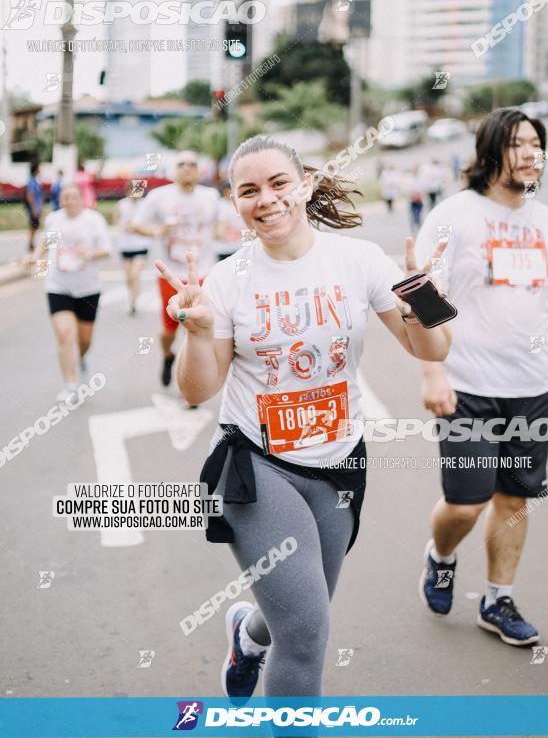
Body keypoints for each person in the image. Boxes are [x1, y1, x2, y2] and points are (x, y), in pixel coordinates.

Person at [156, 134, 452, 701]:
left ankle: (247, 635)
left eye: (278, 184)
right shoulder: (225, 280)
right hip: (258, 466)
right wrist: (193, 333)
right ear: (235, 202)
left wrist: (422, 296)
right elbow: (198, 390)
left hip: (340, 465)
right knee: (308, 630)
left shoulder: (358, 259)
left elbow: (433, 350)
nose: (265, 200)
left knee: (299, 608)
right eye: (248, 191)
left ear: (305, 185)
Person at [415, 108, 548, 646]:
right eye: (518, 144)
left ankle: (497, 598)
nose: (531, 153)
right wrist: (433, 373)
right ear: (490, 152)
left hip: (529, 389)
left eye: (537, 143)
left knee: (514, 500)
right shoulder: (454, 215)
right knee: (467, 502)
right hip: (465, 385)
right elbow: (420, 298)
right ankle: (440, 556)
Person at [132, 150, 220, 386]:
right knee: (169, 329)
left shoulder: (210, 196)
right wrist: (158, 232)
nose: (187, 168)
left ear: (198, 169)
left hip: (204, 271)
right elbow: (137, 224)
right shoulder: (159, 196)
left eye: (192, 163)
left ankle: (194, 384)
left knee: (197, 328)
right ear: (174, 169)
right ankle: (168, 355)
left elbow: (220, 225)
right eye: (182, 164)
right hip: (171, 274)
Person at [28, 183, 111, 403]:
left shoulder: (94, 221)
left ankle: (81, 356)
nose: (69, 202)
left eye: (73, 197)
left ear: (81, 199)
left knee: (84, 340)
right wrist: (36, 256)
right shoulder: (54, 220)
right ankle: (70, 384)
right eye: (65, 198)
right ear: (60, 200)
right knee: (65, 335)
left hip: (88, 288)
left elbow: (106, 250)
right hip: (58, 286)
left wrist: (89, 252)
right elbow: (47, 242)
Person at [114, 182, 152, 315]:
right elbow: (117, 221)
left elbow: (150, 223)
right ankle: (132, 299)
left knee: (134, 273)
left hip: (141, 245)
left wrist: (139, 229)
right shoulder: (122, 204)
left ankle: (135, 302)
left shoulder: (145, 205)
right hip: (125, 245)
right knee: (128, 277)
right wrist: (124, 227)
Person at [215, 181, 243, 261]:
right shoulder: (220, 204)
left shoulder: (240, 203)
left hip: (239, 248)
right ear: (225, 191)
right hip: (223, 249)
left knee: (241, 272)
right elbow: (219, 229)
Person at [25, 161, 44, 251]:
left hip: (37, 208)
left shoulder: (36, 181)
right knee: (33, 225)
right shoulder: (32, 182)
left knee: (35, 225)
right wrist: (34, 209)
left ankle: (32, 242)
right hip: (34, 209)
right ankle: (30, 243)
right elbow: (30, 196)